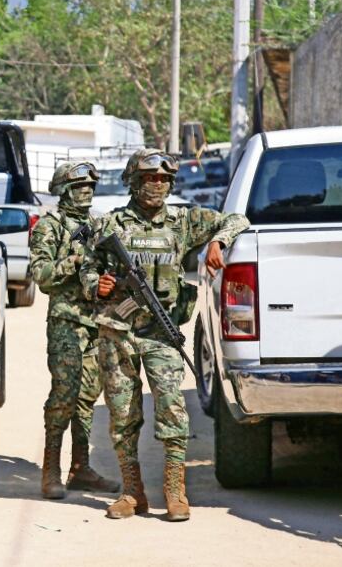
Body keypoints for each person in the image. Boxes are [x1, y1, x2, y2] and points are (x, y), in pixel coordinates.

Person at [83, 149, 248, 522]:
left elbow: (238, 219)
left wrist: (217, 242)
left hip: (162, 331)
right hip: (118, 331)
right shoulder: (110, 224)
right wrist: (100, 284)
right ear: (134, 181)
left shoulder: (183, 221)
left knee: (173, 410)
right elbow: (87, 270)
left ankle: (175, 492)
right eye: (149, 179)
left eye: (163, 179)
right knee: (123, 415)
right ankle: (132, 493)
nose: (157, 185)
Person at [29, 161, 120, 499]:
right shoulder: (49, 227)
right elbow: (41, 275)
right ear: (63, 190)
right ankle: (50, 470)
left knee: (87, 400)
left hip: (95, 322)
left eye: (90, 186)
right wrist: (75, 261)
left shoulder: (98, 225)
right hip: (67, 322)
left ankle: (80, 468)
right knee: (63, 397)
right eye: (80, 186)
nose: (87, 192)